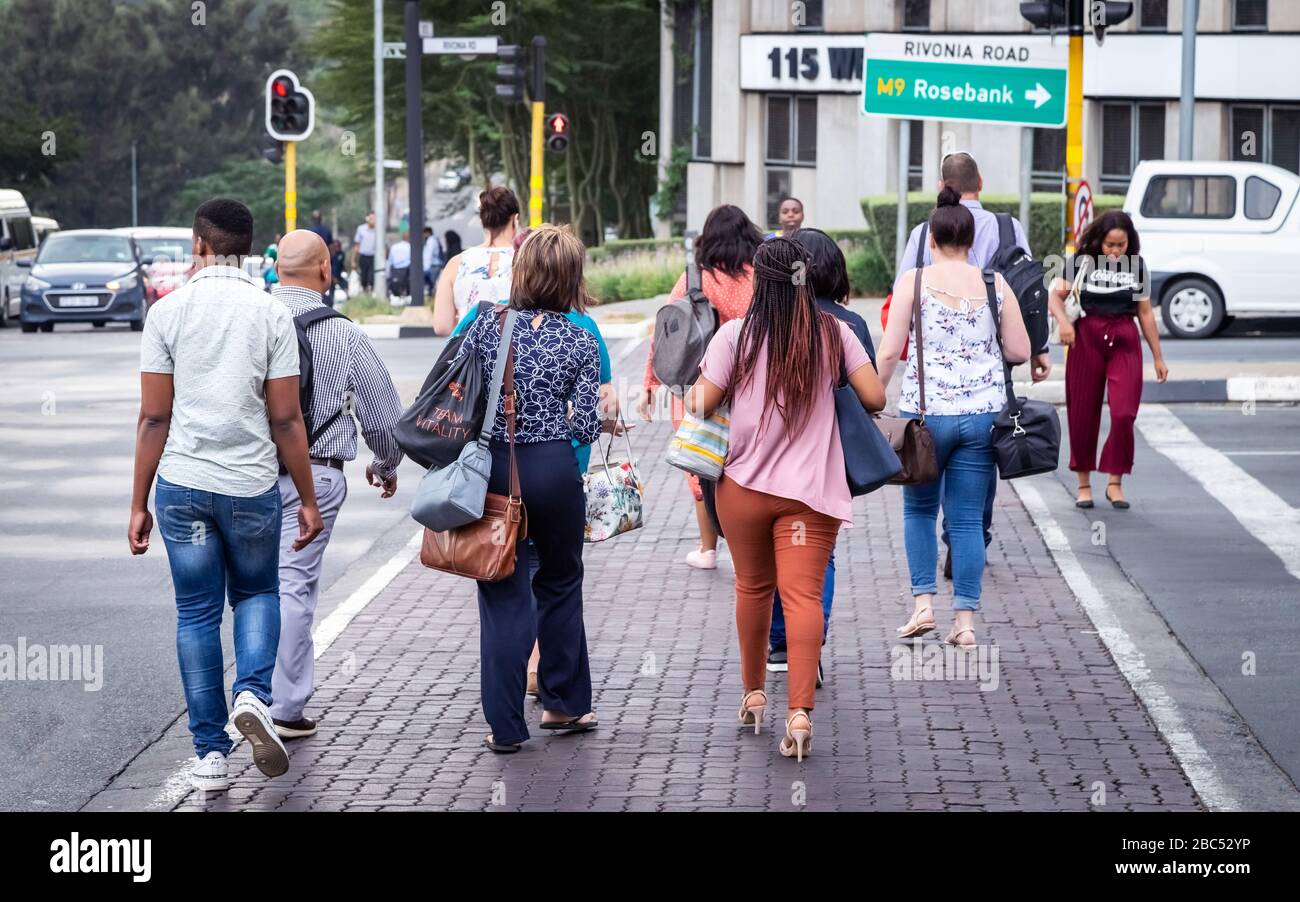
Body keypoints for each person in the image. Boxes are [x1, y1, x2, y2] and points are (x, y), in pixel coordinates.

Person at [128, 198, 324, 793]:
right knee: (259, 591)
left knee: (195, 613)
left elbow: (153, 420)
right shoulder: (270, 314)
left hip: (183, 487)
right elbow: (287, 419)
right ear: (249, 247)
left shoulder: (167, 314)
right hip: (250, 485)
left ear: (198, 244)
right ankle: (253, 695)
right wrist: (309, 499)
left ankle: (210, 755)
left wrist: (138, 501)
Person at [685, 237, 885, 761]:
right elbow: (875, 397)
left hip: (743, 489)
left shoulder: (736, 336)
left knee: (752, 590)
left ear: (760, 283)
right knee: (802, 598)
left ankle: (753, 696)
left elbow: (700, 403)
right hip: (809, 495)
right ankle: (799, 713)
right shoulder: (833, 332)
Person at [449, 224, 610, 753]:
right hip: (553, 471)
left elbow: (457, 395)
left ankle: (504, 726)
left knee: (501, 592)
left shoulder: (487, 325)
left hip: (493, 468)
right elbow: (585, 426)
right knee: (560, 583)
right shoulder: (580, 337)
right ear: (570, 278)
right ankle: (562, 705)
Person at [877, 187, 1031, 650]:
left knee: (919, 511)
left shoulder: (914, 282)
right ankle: (964, 620)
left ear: (930, 240)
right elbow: (1020, 350)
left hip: (924, 419)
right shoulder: (994, 283)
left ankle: (923, 605)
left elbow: (889, 350)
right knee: (966, 522)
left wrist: (872, 398)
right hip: (982, 417)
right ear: (972, 242)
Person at [268, 231, 405, 739]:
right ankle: (284, 707)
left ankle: (246, 693)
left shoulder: (252, 318)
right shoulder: (342, 333)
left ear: (276, 268)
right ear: (326, 270)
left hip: (245, 475)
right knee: (294, 587)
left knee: (246, 589)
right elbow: (383, 410)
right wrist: (386, 464)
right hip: (318, 474)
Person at [889, 151, 1051, 579]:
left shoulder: (926, 231)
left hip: (931, 383)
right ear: (980, 179)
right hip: (992, 362)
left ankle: (931, 584)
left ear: (942, 183)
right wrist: (1039, 349)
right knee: (981, 453)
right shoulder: (1008, 226)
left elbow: (900, 301)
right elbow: (1030, 289)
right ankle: (973, 534)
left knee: (925, 480)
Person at [764, 227, 878, 681]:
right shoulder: (850, 325)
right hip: (827, 460)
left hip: (769, 460)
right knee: (819, 555)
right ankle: (806, 645)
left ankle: (777, 643)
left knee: (769, 553)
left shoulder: (771, 320)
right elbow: (872, 394)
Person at [637, 203, 763, 570]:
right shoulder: (761, 276)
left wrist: (650, 384)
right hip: (750, 385)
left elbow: (665, 334)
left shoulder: (695, 278)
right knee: (744, 466)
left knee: (701, 462)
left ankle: (708, 549)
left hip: (698, 387)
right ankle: (747, 545)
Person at [1049, 210, 1168, 510]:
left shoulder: (1137, 266)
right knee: (1082, 412)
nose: (1115, 251)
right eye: (1110, 245)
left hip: (1125, 339)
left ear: (1130, 242)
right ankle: (1084, 484)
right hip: (1086, 336)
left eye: (1121, 245)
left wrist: (1157, 356)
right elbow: (1054, 296)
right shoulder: (1081, 262)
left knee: (1124, 413)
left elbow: (1145, 313)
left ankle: (1115, 482)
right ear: (1099, 241)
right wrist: (1064, 323)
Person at [431, 187, 519, 333]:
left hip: (467, 352)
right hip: (513, 351)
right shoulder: (526, 261)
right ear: (515, 219)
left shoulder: (456, 263)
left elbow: (442, 327)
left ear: (482, 220)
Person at [352, 213, 377, 293]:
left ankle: (372, 292)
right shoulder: (361, 229)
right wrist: (353, 260)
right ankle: (365, 294)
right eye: (371, 218)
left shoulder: (378, 230)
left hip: (374, 257)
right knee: (364, 278)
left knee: (372, 278)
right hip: (363, 256)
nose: (372, 220)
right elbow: (357, 245)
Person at [386, 231, 412, 302]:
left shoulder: (394, 247)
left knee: (396, 286)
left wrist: (388, 273)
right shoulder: (410, 247)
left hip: (395, 270)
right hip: (406, 270)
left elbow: (390, 261)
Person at [422, 226, 444, 294]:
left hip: (433, 265)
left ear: (427, 233)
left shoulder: (431, 241)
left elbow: (429, 254)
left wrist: (426, 267)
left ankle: (432, 298)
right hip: (434, 265)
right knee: (431, 284)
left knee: (431, 284)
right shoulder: (433, 240)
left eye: (424, 233)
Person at [329, 239, 347, 304]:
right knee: (331, 291)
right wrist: (333, 277)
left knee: (345, 285)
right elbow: (328, 268)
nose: (338, 248)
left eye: (339, 246)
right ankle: (330, 303)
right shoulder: (331, 255)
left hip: (338, 276)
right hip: (331, 277)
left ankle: (348, 299)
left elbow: (341, 264)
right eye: (336, 246)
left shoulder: (342, 254)